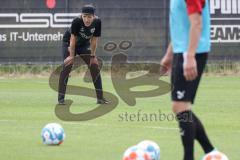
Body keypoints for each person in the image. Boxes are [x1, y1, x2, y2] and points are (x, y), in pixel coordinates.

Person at [161, 0, 226, 159]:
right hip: (182, 51)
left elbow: (196, 23)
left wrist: (190, 56)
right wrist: (170, 55)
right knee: (180, 107)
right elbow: (181, 27)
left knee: (180, 106)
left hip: (191, 52)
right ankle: (211, 151)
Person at [58, 4, 109, 105]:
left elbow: (94, 40)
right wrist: (71, 56)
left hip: (83, 44)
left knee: (94, 66)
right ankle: (61, 99)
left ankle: (100, 98)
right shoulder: (77, 21)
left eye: (89, 16)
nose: (87, 19)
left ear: (93, 16)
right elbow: (72, 39)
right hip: (69, 43)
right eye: (84, 16)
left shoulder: (97, 22)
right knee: (67, 66)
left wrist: (93, 56)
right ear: (81, 15)